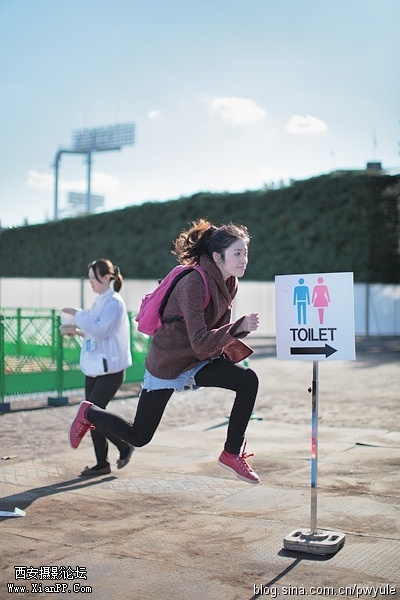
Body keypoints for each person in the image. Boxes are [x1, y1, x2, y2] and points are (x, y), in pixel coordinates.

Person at [69, 220, 261, 484]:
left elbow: (209, 336)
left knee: (248, 381)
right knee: (139, 436)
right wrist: (237, 328)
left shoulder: (230, 283)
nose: (243, 260)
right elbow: (200, 341)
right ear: (218, 256)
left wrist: (232, 336)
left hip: (197, 360)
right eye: (237, 253)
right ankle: (89, 413)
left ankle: (231, 453)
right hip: (168, 363)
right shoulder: (193, 282)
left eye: (245, 253)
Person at [62, 258, 133, 477]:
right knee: (90, 415)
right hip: (95, 369)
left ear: (106, 277)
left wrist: (77, 314)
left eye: (93, 277)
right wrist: (78, 331)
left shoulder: (114, 303)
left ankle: (124, 445)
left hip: (110, 371)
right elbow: (95, 331)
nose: (91, 282)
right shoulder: (100, 301)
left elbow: (101, 330)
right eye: (90, 277)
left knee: (91, 415)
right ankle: (102, 463)